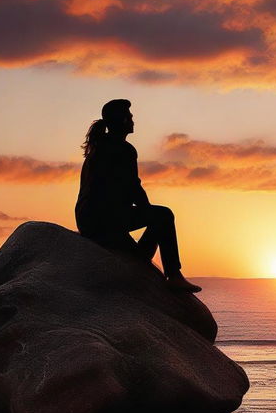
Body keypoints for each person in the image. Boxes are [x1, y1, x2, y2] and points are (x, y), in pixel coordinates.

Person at [75, 99, 201, 293]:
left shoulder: (100, 147)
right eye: (130, 117)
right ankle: (174, 275)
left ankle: (141, 265)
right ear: (122, 120)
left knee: (139, 251)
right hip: (104, 218)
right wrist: (148, 212)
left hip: (92, 220)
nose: (133, 120)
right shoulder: (121, 148)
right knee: (163, 216)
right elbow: (133, 187)